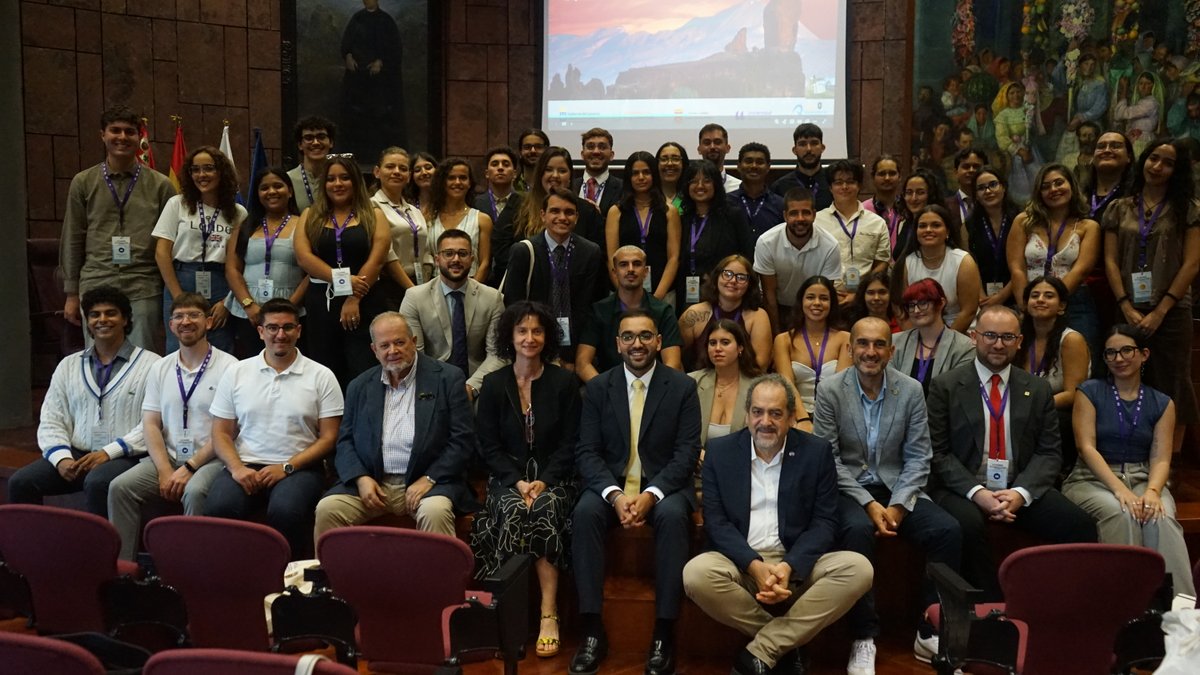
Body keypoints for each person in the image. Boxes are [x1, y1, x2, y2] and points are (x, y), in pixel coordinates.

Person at [683, 374, 872, 675]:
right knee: (695, 574)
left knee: (859, 568)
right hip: (741, 565)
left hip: (798, 567)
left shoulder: (816, 452)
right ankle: (787, 643)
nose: (765, 421)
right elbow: (716, 523)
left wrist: (788, 567)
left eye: (775, 413)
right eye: (757, 412)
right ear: (746, 416)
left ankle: (763, 649)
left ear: (792, 418)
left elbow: (825, 522)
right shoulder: (720, 453)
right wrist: (754, 566)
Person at [813, 317, 962, 671]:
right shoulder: (830, 390)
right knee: (856, 531)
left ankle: (931, 628)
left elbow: (918, 456)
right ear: (850, 349)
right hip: (849, 489)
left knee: (948, 531)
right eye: (862, 344)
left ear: (891, 351)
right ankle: (864, 637)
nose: (870, 351)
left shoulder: (910, 390)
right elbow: (828, 459)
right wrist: (868, 503)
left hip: (898, 488)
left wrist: (896, 506)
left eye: (879, 344)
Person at [928, 305, 1097, 600]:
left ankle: (1060, 605)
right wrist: (978, 493)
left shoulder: (1038, 388)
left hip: (1018, 486)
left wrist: (1020, 493)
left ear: (1019, 341)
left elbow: (1049, 454)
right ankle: (991, 608)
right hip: (962, 487)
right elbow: (939, 453)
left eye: (1007, 337)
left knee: (1080, 525)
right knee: (965, 524)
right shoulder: (946, 386)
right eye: (990, 335)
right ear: (973, 337)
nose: (998, 344)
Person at [569, 309, 702, 675]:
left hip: (664, 485)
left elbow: (687, 452)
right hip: (611, 486)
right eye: (628, 336)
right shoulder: (598, 388)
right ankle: (592, 628)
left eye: (645, 336)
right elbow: (587, 451)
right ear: (617, 344)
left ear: (659, 342)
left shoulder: (682, 387)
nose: (637, 344)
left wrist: (651, 494)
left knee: (675, 516)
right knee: (583, 513)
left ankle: (663, 631)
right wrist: (614, 495)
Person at [471, 301, 582, 659]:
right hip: (508, 478)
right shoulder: (492, 384)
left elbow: (571, 443)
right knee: (515, 510)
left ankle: (548, 615)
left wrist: (544, 482)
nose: (529, 338)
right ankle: (510, 617)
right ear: (510, 336)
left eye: (537, 331)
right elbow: (487, 444)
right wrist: (516, 481)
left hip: (556, 478)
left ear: (547, 336)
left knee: (545, 510)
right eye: (522, 331)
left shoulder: (564, 382)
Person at [313, 312, 475, 540]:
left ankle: (438, 576)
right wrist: (361, 478)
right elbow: (345, 442)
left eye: (399, 342)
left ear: (414, 341)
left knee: (434, 511)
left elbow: (462, 440)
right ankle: (335, 576)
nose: (393, 351)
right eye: (385, 345)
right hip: (374, 484)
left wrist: (429, 478)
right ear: (374, 350)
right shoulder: (359, 386)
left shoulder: (448, 378)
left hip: (430, 483)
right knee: (328, 509)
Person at [1062, 325, 1195, 597]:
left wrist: (1153, 492)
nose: (1119, 358)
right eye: (1111, 353)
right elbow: (1086, 447)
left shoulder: (1162, 402)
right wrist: (1120, 490)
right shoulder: (1089, 392)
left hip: (1145, 477)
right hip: (1092, 478)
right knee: (1122, 512)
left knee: (1161, 517)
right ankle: (1125, 604)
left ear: (1144, 354)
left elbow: (1160, 457)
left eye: (1126, 350)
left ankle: (1181, 612)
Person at [206, 298, 343, 557]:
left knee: (286, 510)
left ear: (299, 331)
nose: (280, 334)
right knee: (218, 507)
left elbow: (329, 438)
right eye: (272, 328)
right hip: (244, 464)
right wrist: (236, 469)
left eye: (288, 327)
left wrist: (286, 467)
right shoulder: (237, 372)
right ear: (260, 331)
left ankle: (290, 581)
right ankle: (231, 580)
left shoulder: (321, 375)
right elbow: (220, 432)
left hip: (298, 467)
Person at [8, 286, 160, 516]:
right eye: (94, 314)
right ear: (87, 321)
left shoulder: (153, 365)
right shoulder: (68, 365)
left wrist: (108, 452)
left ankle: (96, 550)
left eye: (111, 313)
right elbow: (51, 418)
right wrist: (61, 458)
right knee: (21, 482)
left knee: (97, 482)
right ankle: (29, 549)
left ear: (126, 319)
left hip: (127, 456)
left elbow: (154, 424)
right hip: (77, 454)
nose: (102, 320)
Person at [107, 293, 238, 560]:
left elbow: (228, 431)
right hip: (167, 457)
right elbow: (151, 424)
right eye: (178, 316)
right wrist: (166, 471)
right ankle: (123, 571)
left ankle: (190, 573)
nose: (185, 321)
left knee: (195, 490)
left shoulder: (231, 367)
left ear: (209, 322)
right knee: (119, 488)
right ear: (170, 325)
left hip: (211, 458)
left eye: (194, 315)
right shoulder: (160, 367)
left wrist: (189, 468)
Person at [1103, 139, 1200, 453]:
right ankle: (1132, 453)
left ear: (1177, 170)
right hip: (1128, 308)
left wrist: (1161, 310)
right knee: (1127, 377)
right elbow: (1110, 261)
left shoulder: (1188, 208)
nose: (1157, 167)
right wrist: (1125, 306)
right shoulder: (1120, 207)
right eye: (1153, 158)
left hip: (1171, 311)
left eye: (1167, 162)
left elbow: (1192, 262)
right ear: (1142, 161)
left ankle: (1169, 461)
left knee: (1174, 382)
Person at [60, 105, 176, 350]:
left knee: (142, 361)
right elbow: (73, 236)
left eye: (129, 132)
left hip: (143, 283)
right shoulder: (83, 182)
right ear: (103, 134)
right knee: (97, 359)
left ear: (139, 137)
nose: (122, 137)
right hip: (96, 279)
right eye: (115, 131)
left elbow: (171, 244)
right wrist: (71, 293)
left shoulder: (161, 186)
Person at [294, 156, 391, 389]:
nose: (338, 184)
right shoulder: (310, 214)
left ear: (356, 181)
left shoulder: (374, 214)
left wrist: (353, 296)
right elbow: (303, 257)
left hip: (365, 300)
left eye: (345, 178)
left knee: (363, 368)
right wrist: (345, 282)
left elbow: (377, 259)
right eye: (331, 179)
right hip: (322, 303)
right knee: (325, 370)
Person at [153, 145, 246, 353]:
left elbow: (240, 264)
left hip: (221, 283)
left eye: (209, 168)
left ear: (221, 172)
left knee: (220, 348)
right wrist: (178, 297)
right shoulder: (177, 204)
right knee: (179, 346)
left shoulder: (238, 213)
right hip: (181, 280)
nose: (201, 175)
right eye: (195, 169)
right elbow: (161, 253)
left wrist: (228, 301)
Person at [502, 187, 606, 366]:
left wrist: (576, 356)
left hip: (575, 347)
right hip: (532, 344)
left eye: (569, 212)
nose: (562, 218)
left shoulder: (590, 252)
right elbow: (514, 305)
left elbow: (588, 306)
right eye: (555, 211)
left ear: (577, 217)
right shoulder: (524, 251)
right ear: (543, 215)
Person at [399, 229, 506, 399]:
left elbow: (497, 354)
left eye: (462, 254)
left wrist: (471, 387)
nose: (456, 259)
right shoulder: (415, 298)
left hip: (479, 385)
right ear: (437, 259)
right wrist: (441, 388)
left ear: (472, 259)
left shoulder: (493, 299)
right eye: (448, 253)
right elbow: (413, 354)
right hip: (431, 386)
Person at [1007, 163, 1101, 354]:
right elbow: (1017, 268)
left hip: (1074, 303)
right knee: (1030, 360)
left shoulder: (1088, 226)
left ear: (1072, 186)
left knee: (1081, 360)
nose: (1053, 189)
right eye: (1046, 186)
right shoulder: (1023, 221)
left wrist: (1053, 301)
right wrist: (1026, 307)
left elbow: (1081, 270)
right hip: (1031, 303)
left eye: (1059, 183)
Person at [225, 166, 308, 358]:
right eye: (264, 188)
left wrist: (288, 307)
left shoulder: (304, 223)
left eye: (278, 186)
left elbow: (311, 272)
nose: (271, 192)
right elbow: (232, 269)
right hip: (249, 313)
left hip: (291, 310)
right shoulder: (245, 226)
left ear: (290, 191)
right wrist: (249, 305)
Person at [576, 246, 683, 382]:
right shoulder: (598, 311)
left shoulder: (663, 311)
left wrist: (654, 394)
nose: (631, 269)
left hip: (653, 387)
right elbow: (582, 364)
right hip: (610, 388)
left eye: (637, 264)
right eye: (624, 264)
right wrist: (604, 392)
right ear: (614, 272)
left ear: (645, 272)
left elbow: (672, 364)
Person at [754, 187, 843, 334]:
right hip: (778, 307)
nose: (800, 219)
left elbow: (824, 293)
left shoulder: (830, 246)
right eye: (794, 213)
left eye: (806, 213)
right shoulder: (766, 242)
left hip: (813, 306)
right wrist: (777, 334)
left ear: (814, 215)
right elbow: (769, 295)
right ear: (785, 216)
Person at [676, 159, 755, 310]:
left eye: (706, 181)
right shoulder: (683, 218)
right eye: (693, 181)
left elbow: (746, 255)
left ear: (716, 185)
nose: (700, 186)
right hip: (688, 292)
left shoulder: (733, 214)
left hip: (725, 291)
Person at [604, 151, 681, 304]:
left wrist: (656, 299)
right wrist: (625, 295)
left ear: (654, 175)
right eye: (635, 173)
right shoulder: (616, 211)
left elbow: (674, 258)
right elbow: (611, 258)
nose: (641, 178)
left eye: (646, 172)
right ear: (628, 177)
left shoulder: (669, 211)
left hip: (663, 294)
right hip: (624, 295)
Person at [772, 275, 851, 421]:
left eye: (824, 298)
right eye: (810, 297)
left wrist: (825, 423)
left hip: (834, 415)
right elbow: (787, 384)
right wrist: (803, 419)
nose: (817, 303)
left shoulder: (845, 338)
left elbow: (841, 387)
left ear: (832, 303)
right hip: (794, 414)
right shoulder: (783, 340)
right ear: (801, 302)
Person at [894, 204, 982, 333]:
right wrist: (916, 340)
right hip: (919, 332)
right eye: (922, 226)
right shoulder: (907, 263)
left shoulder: (963, 261)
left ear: (947, 231)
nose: (928, 230)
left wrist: (942, 343)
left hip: (960, 332)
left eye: (936, 225)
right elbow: (902, 310)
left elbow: (968, 311)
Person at [678, 254, 773, 373]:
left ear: (750, 284)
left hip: (744, 382)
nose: (733, 281)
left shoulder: (758, 316)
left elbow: (761, 365)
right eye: (727, 274)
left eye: (741, 277)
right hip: (700, 383)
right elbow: (675, 356)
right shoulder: (694, 313)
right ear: (717, 277)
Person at [814, 159, 890, 304]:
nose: (844, 187)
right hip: (827, 298)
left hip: (865, 299)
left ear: (859, 185)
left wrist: (860, 293)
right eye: (838, 182)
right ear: (830, 187)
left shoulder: (877, 223)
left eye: (850, 182)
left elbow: (882, 262)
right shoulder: (817, 221)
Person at [339, 0, 403, 158]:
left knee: (378, 116)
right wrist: (347, 56)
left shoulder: (386, 21)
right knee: (355, 116)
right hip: (357, 78)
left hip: (379, 82)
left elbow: (395, 49)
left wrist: (380, 61)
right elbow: (346, 43)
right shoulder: (357, 18)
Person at [891, 279, 976, 397]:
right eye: (911, 305)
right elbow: (890, 388)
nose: (916, 310)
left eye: (923, 303)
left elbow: (958, 394)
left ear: (941, 303)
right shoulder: (895, 342)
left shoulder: (964, 347)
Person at [371, 146, 432, 308]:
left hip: (419, 283)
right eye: (390, 167)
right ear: (377, 172)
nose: (396, 172)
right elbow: (387, 255)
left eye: (403, 168)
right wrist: (412, 290)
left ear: (409, 177)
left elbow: (425, 249)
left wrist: (424, 287)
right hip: (389, 286)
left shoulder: (414, 210)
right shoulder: (371, 207)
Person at [689, 319, 760, 456]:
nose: (717, 349)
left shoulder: (757, 388)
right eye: (712, 343)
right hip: (696, 468)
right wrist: (694, 455)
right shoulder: (692, 382)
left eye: (725, 343)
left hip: (740, 466)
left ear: (740, 347)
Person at [513, 146, 605, 248]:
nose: (555, 175)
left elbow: (597, 254)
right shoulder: (518, 204)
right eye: (548, 170)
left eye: (562, 171)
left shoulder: (587, 211)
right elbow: (502, 246)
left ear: (570, 176)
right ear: (540, 174)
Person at [424, 157, 493, 284]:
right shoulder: (428, 217)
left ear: (470, 183)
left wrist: (472, 293)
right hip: (435, 287)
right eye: (451, 178)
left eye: (463, 178)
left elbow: (485, 263)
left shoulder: (482, 219)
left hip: (471, 285)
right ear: (442, 182)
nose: (457, 182)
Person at [963, 167, 1016, 308]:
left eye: (993, 185)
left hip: (1016, 296)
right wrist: (982, 297)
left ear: (1003, 187)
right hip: (981, 300)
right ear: (976, 195)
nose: (988, 191)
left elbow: (1023, 265)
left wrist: (1001, 296)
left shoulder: (1020, 219)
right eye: (981, 188)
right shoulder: (968, 225)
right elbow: (968, 265)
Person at [477, 146, 524, 287]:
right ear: (487, 173)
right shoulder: (475, 203)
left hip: (516, 274)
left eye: (506, 164)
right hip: (483, 276)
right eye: (495, 164)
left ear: (514, 173)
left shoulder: (526, 204)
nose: (500, 168)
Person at [729, 142, 786, 241]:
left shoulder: (780, 205)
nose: (754, 166)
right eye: (748, 161)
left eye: (760, 162)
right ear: (739, 166)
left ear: (768, 167)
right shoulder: (726, 202)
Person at [770, 123, 832, 210]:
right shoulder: (779, 187)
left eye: (814, 143)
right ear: (794, 150)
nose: (809, 149)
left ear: (822, 148)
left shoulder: (833, 182)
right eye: (802, 144)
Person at [895, 169, 947, 263]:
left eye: (920, 192)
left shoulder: (941, 224)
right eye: (909, 192)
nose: (914, 198)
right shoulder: (903, 223)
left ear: (931, 195)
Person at [287, 116, 336, 212]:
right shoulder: (287, 180)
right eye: (309, 138)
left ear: (331, 142)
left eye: (321, 137)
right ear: (300, 145)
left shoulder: (342, 179)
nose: (316, 143)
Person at [573, 128, 623, 219]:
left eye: (602, 147)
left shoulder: (623, 189)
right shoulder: (569, 187)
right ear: (582, 154)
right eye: (590, 147)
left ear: (611, 155)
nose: (596, 152)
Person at [1113, 71, 1165, 157]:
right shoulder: (1141, 102)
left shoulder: (1151, 103)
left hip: (1143, 141)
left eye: (1148, 83)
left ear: (1154, 86)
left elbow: (1121, 113)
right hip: (1135, 139)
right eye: (1141, 83)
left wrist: (1124, 88)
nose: (1144, 87)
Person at [862, 155, 903, 258]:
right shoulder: (862, 210)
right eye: (882, 174)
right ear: (873, 177)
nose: (887, 178)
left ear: (900, 177)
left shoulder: (907, 209)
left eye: (892, 173)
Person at [945, 148, 988, 244]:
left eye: (976, 166)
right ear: (956, 172)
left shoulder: (993, 204)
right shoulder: (944, 206)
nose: (971, 170)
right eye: (966, 166)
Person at [697, 123, 741, 192]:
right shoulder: (689, 187)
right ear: (699, 149)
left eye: (717, 142)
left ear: (727, 148)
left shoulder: (739, 187)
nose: (712, 147)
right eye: (707, 143)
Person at [655, 141, 689, 213]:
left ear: (684, 164)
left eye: (675, 159)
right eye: (664, 159)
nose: (670, 164)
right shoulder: (649, 197)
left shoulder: (691, 196)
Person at [514, 128, 549, 193]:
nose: (533, 151)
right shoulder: (511, 187)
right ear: (520, 151)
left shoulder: (551, 186)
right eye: (527, 147)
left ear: (546, 150)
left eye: (538, 147)